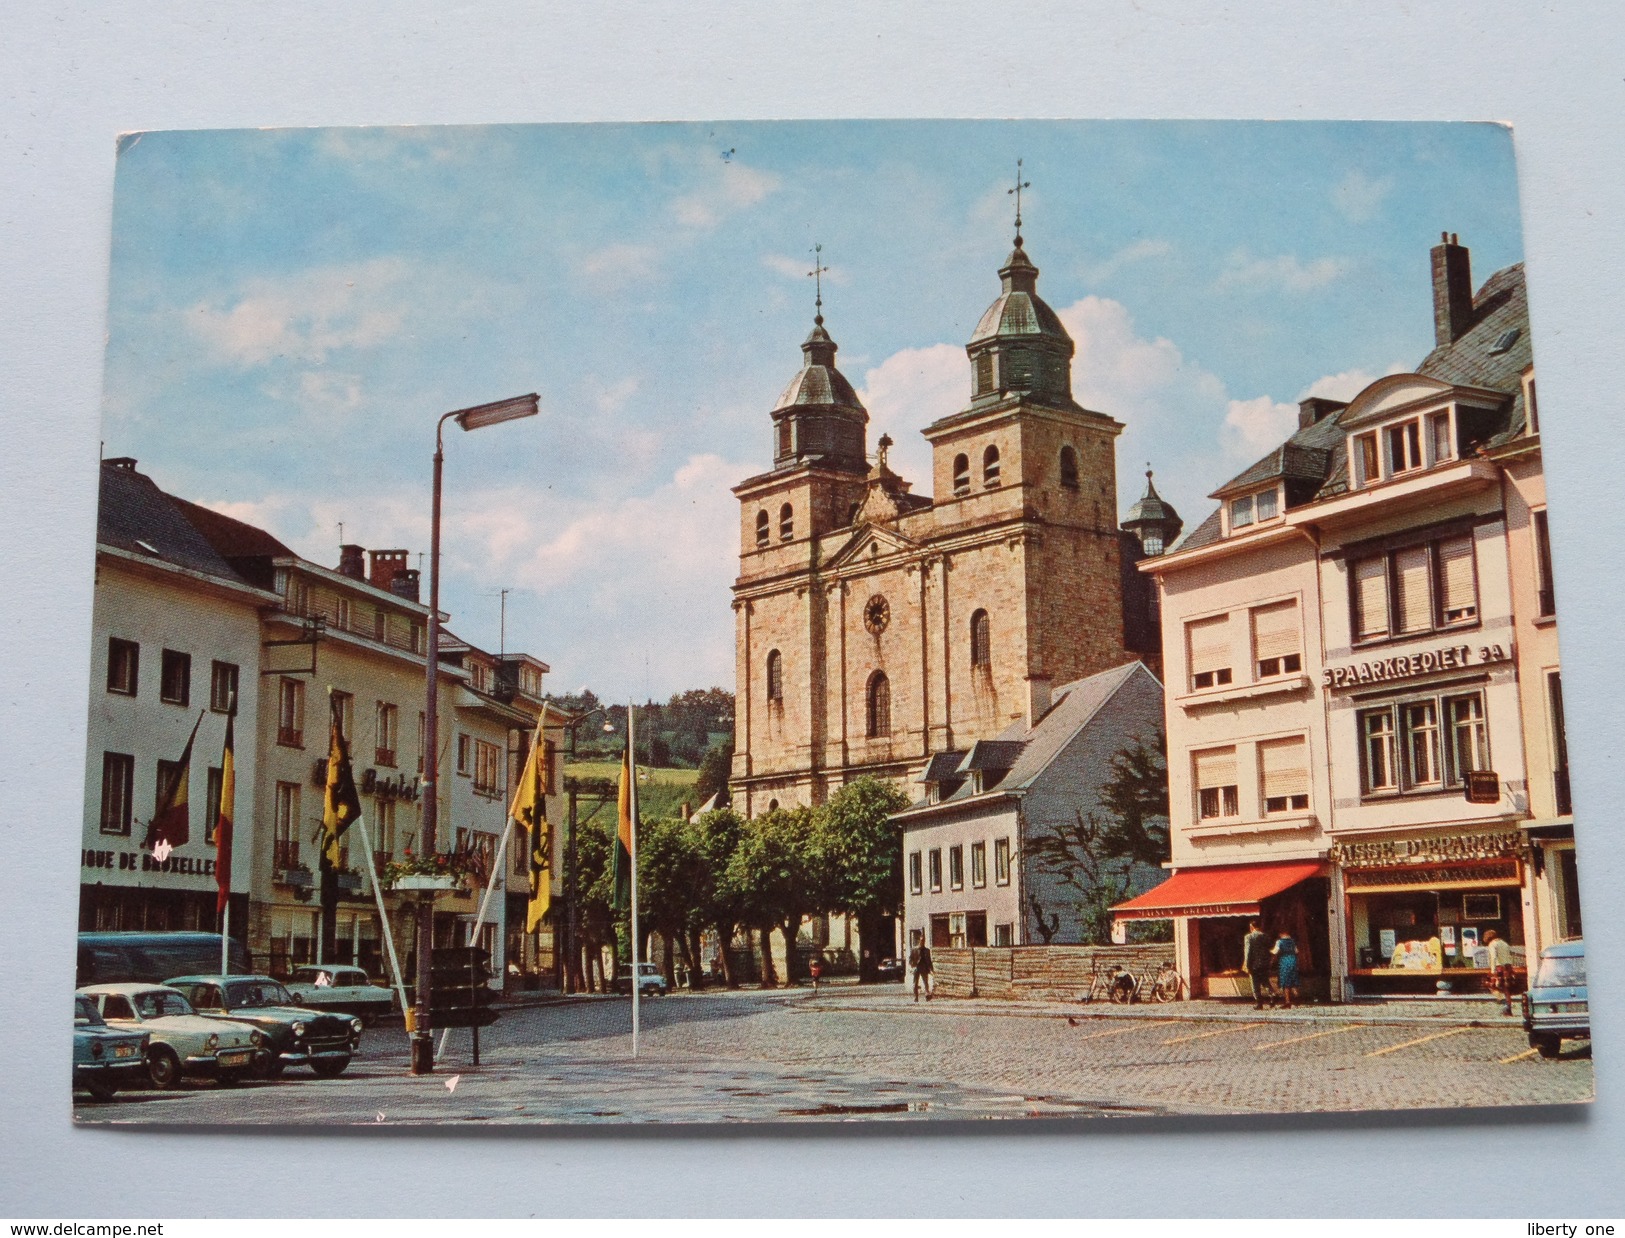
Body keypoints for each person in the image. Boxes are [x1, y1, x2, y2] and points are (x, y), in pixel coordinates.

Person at [1243, 919, 1275, 1009]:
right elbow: (1271, 950)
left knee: (1255, 984)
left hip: (1254, 965)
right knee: (1265, 981)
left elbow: (1248, 952)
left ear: (1251, 927)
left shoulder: (1249, 937)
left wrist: (1247, 965)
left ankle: (1259, 1003)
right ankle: (1272, 996)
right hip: (1265, 964)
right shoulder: (1266, 936)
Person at [1484, 929, 1516, 1015]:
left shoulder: (1492, 944)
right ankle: (1508, 1008)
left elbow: (1493, 957)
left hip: (1498, 968)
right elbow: (1509, 956)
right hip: (1507, 967)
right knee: (1506, 989)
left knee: (1491, 985)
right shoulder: (1504, 943)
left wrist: (1492, 970)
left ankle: (1502, 1003)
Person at [1272, 928, 1300, 1009]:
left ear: (1281, 934)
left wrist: (1269, 951)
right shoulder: (1292, 941)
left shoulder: (1279, 942)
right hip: (1293, 960)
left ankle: (1287, 1001)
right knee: (1293, 980)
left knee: (1285, 982)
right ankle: (1297, 997)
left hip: (1284, 961)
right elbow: (1297, 951)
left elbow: (1275, 951)